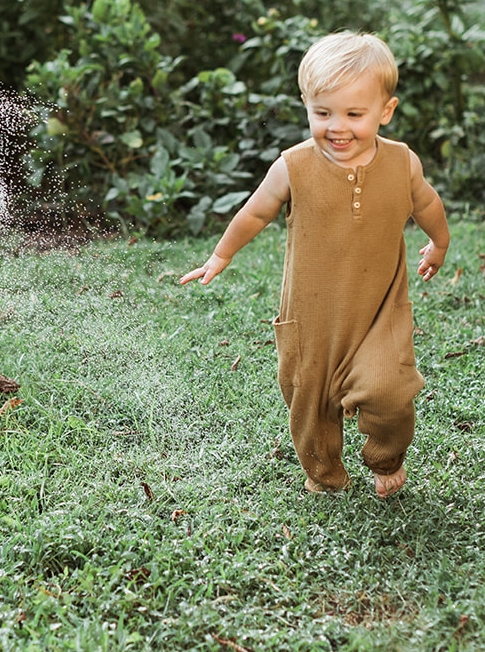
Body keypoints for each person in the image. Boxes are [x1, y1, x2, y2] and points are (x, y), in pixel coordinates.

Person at [180, 31, 450, 498]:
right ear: (306, 105)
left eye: (353, 114)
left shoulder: (403, 162)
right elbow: (256, 211)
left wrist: (439, 243)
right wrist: (221, 254)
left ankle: (386, 456)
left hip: (379, 313)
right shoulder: (294, 165)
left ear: (385, 111)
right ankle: (325, 475)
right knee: (309, 403)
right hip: (310, 317)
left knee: (390, 392)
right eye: (322, 113)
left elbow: (426, 203)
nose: (336, 126)